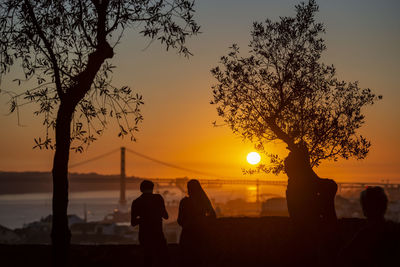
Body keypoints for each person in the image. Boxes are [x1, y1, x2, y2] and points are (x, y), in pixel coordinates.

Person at [284, 144, 338, 266]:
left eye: (287, 167)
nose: (285, 170)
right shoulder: (298, 187)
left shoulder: (296, 187)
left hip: (306, 237)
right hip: (309, 237)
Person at [338, 186, 399, 266]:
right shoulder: (394, 230)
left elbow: (343, 257)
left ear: (365, 209)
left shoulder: (365, 235)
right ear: (385, 206)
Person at [177, 179, 216, 266]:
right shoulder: (204, 201)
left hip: (187, 235)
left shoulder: (184, 202)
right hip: (201, 234)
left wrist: (187, 223)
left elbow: (179, 220)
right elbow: (213, 216)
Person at [131, 180, 169, 267]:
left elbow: (133, 223)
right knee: (163, 259)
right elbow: (166, 216)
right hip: (158, 235)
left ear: (141, 189)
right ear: (152, 188)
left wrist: (144, 218)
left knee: (147, 260)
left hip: (144, 236)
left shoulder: (136, 202)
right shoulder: (158, 198)